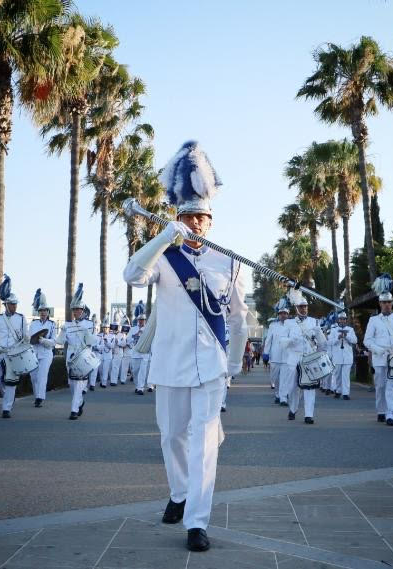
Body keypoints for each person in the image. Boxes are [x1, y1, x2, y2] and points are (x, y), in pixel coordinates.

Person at [123, 140, 247, 552]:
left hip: (211, 364)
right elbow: (131, 274)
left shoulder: (227, 262)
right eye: (189, 217)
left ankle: (196, 521)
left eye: (202, 218)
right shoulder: (163, 257)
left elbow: (237, 317)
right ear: (179, 218)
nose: (196, 224)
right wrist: (161, 239)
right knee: (171, 436)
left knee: (204, 442)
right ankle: (179, 492)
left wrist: (232, 364)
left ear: (211, 222)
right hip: (170, 361)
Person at [364, 274, 393, 426]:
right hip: (379, 358)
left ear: (392, 303)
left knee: (392, 387)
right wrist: (377, 350)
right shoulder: (373, 320)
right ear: (379, 303)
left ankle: (391, 415)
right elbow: (367, 340)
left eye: (389, 302)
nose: (386, 305)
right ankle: (381, 411)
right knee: (381, 386)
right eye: (384, 302)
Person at [0, 276, 30, 418]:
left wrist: (27, 341)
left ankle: (6, 408)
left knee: (11, 382)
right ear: (6, 304)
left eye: (15, 304)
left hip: (14, 354)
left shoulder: (21, 318)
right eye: (12, 304)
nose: (14, 306)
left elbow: (25, 337)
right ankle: (9, 399)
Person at [283, 290, 327, 424]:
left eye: (305, 306)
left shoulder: (314, 322)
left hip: (309, 359)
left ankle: (309, 415)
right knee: (293, 387)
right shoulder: (289, 323)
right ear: (296, 308)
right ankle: (293, 408)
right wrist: (291, 340)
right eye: (301, 307)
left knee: (310, 387)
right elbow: (282, 341)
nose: (304, 309)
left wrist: (319, 334)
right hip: (294, 358)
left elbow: (323, 343)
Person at [56, 284, 96, 419]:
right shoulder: (68, 325)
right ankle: (79, 402)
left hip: (83, 358)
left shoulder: (90, 324)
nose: (76, 312)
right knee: (72, 386)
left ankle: (73, 411)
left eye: (79, 310)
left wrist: (86, 332)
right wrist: (43, 340)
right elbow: (60, 342)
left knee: (79, 385)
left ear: (83, 310)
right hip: (70, 358)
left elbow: (91, 342)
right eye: (74, 310)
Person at [29, 289, 56, 407]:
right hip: (34, 352)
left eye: (45, 311)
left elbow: (54, 341)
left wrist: (44, 340)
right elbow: (30, 338)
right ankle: (37, 396)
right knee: (33, 377)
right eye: (41, 311)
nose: (43, 313)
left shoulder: (52, 324)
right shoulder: (34, 323)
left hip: (46, 353)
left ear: (48, 312)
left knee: (42, 376)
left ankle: (40, 398)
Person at [263, 301, 291, 404]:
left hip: (286, 357)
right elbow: (268, 340)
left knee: (284, 378)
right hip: (275, 356)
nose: (283, 315)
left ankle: (283, 398)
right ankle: (277, 393)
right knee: (274, 377)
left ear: (288, 315)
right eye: (281, 313)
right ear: (278, 315)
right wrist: (266, 353)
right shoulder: (273, 326)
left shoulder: (291, 325)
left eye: (285, 313)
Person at [329, 311, 357, 400]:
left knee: (346, 376)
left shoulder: (350, 329)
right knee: (337, 375)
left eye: (344, 319)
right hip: (337, 356)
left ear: (346, 320)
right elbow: (329, 342)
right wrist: (338, 338)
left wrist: (346, 336)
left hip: (347, 356)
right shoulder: (333, 330)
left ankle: (345, 393)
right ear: (338, 320)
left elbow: (355, 341)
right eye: (340, 319)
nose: (342, 321)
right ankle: (338, 391)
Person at [130, 305, 148, 395]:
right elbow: (128, 340)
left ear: (145, 321)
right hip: (135, 353)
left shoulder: (148, 329)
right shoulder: (133, 329)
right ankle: (137, 386)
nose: (141, 321)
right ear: (137, 321)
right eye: (140, 320)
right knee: (135, 371)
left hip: (145, 353)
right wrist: (136, 335)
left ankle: (141, 388)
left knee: (143, 371)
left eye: (143, 320)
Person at [95, 318, 113, 388]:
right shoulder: (99, 335)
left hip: (108, 356)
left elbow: (112, 346)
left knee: (105, 369)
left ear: (108, 328)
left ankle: (104, 383)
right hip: (101, 355)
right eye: (104, 328)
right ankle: (102, 380)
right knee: (101, 370)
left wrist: (106, 341)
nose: (105, 329)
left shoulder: (112, 336)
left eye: (106, 328)